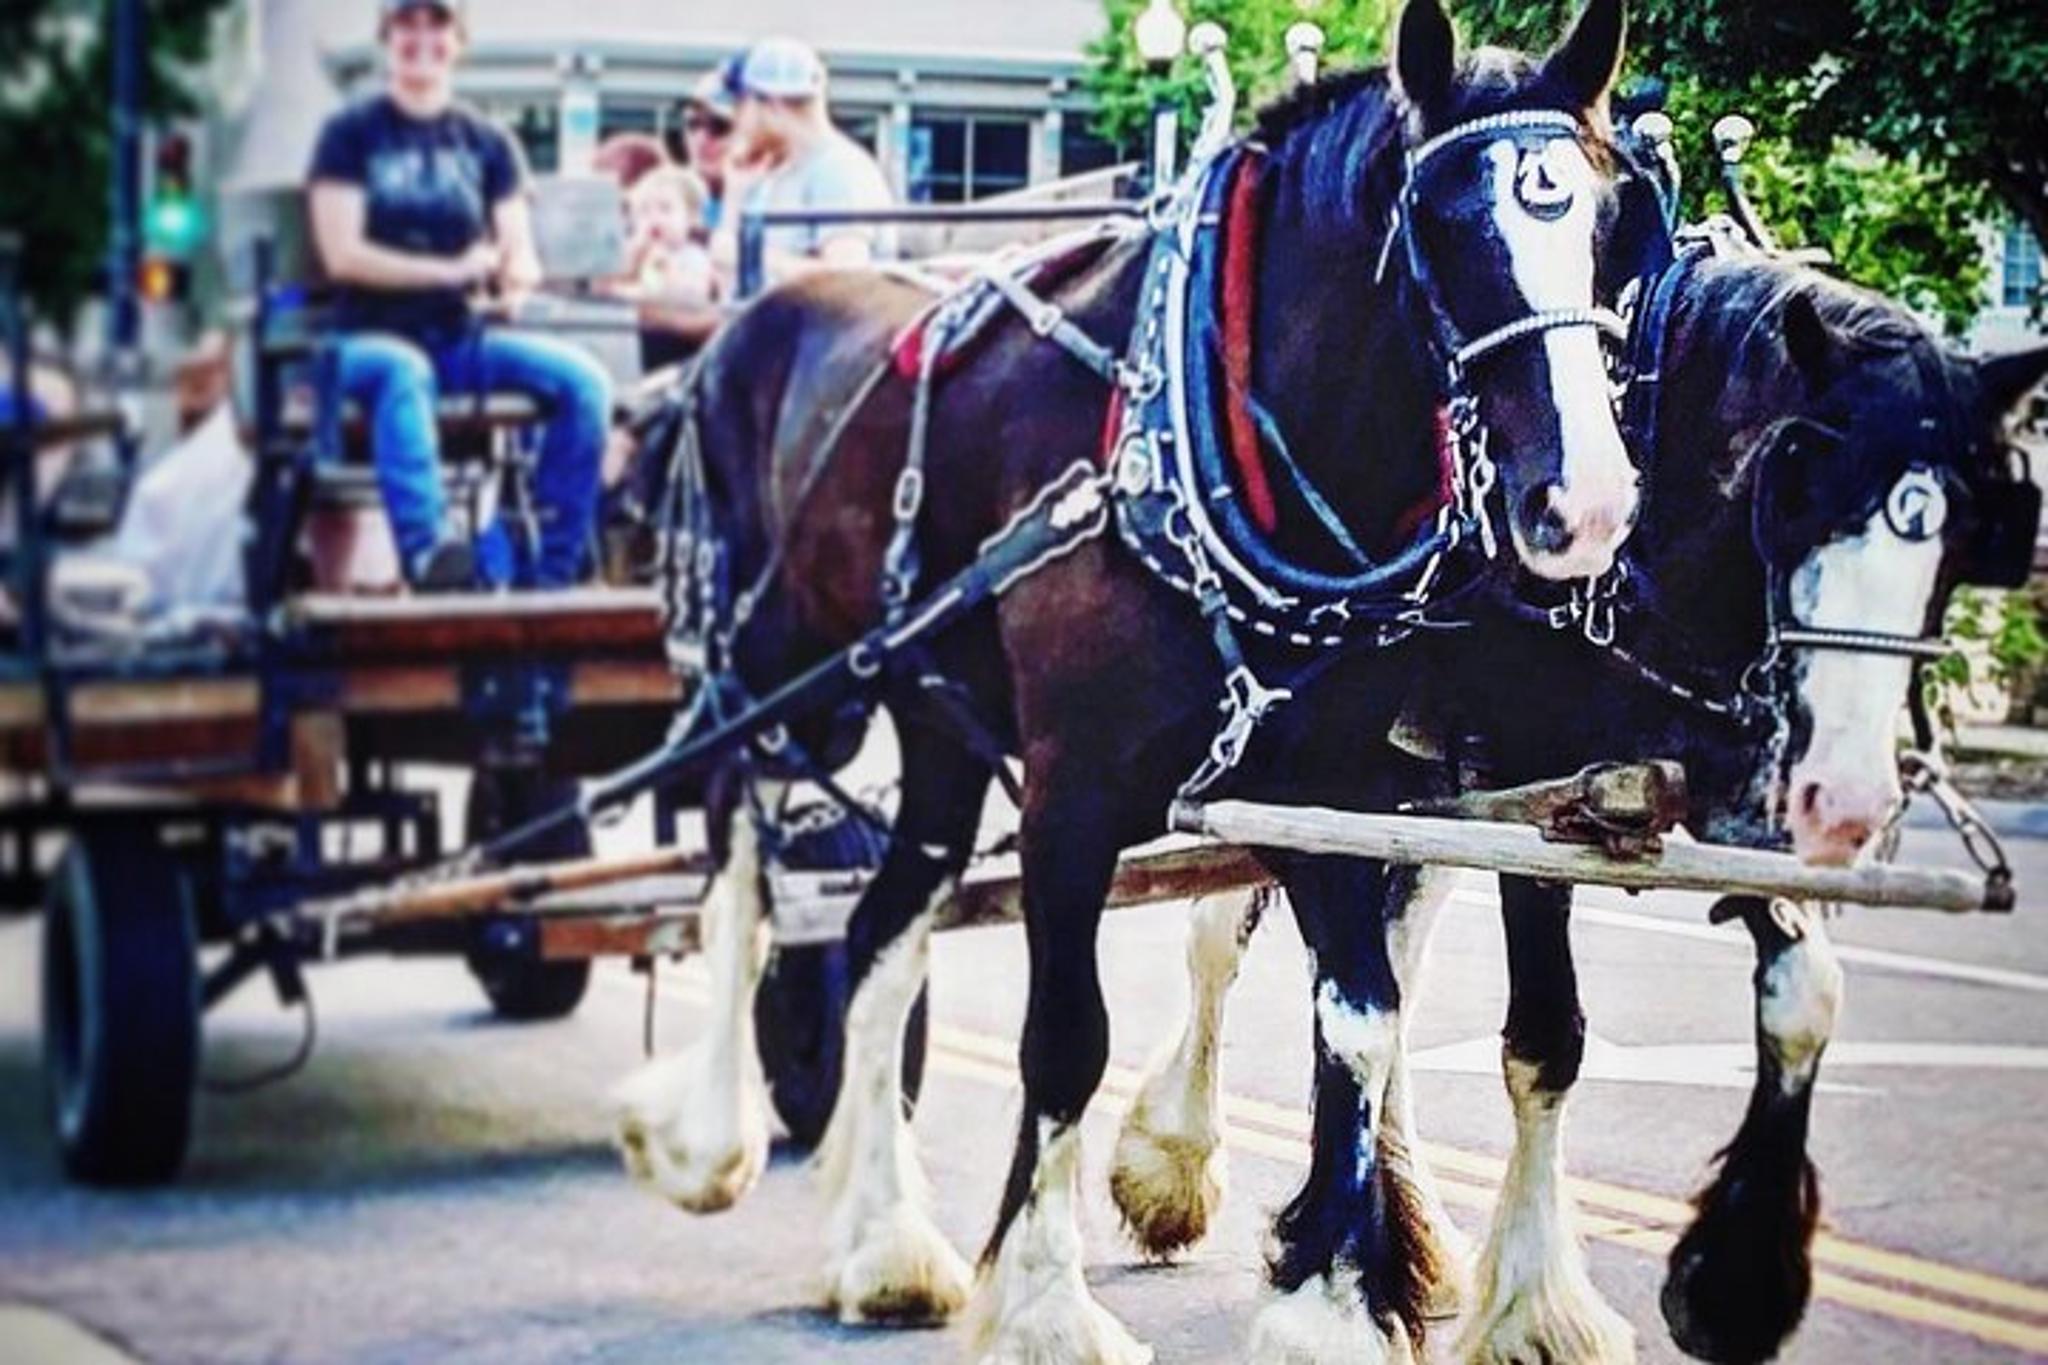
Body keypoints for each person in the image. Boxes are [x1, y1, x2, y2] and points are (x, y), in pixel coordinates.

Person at [305, 0, 611, 591]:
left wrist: (514, 279)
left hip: (460, 342)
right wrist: (448, 271)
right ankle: (429, 558)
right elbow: (342, 254)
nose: (422, 39)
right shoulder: (349, 135)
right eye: (407, 25)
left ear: (458, 41)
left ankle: (547, 567)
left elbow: (517, 248)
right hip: (361, 344)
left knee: (585, 384)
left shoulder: (487, 142)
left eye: (436, 24)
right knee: (404, 370)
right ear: (386, 38)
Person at [709, 37, 895, 289]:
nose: (735, 119)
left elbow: (847, 281)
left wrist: (749, 257)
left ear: (771, 104)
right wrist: (735, 195)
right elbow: (725, 281)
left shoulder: (839, 170)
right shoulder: (774, 173)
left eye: (739, 105)